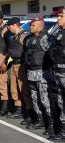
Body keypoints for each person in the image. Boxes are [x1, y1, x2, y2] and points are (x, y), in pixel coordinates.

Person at [23, 18, 54, 135]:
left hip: (42, 73)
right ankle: (39, 120)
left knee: (45, 100)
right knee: (35, 99)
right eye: (31, 25)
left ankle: (50, 124)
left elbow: (51, 55)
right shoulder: (28, 38)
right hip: (31, 73)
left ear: (40, 26)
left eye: (33, 25)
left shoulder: (46, 38)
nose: (31, 27)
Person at [4, 17, 33, 120]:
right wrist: (6, 63)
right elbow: (11, 52)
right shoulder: (14, 36)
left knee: (24, 89)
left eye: (9, 26)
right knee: (14, 89)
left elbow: (27, 52)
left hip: (21, 65)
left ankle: (29, 113)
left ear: (15, 25)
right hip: (13, 64)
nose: (8, 28)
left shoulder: (24, 36)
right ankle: (18, 110)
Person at [48, 8, 65, 141]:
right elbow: (46, 43)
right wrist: (55, 28)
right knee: (60, 102)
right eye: (57, 16)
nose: (58, 18)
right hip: (58, 72)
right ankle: (62, 129)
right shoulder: (58, 32)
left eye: (61, 16)